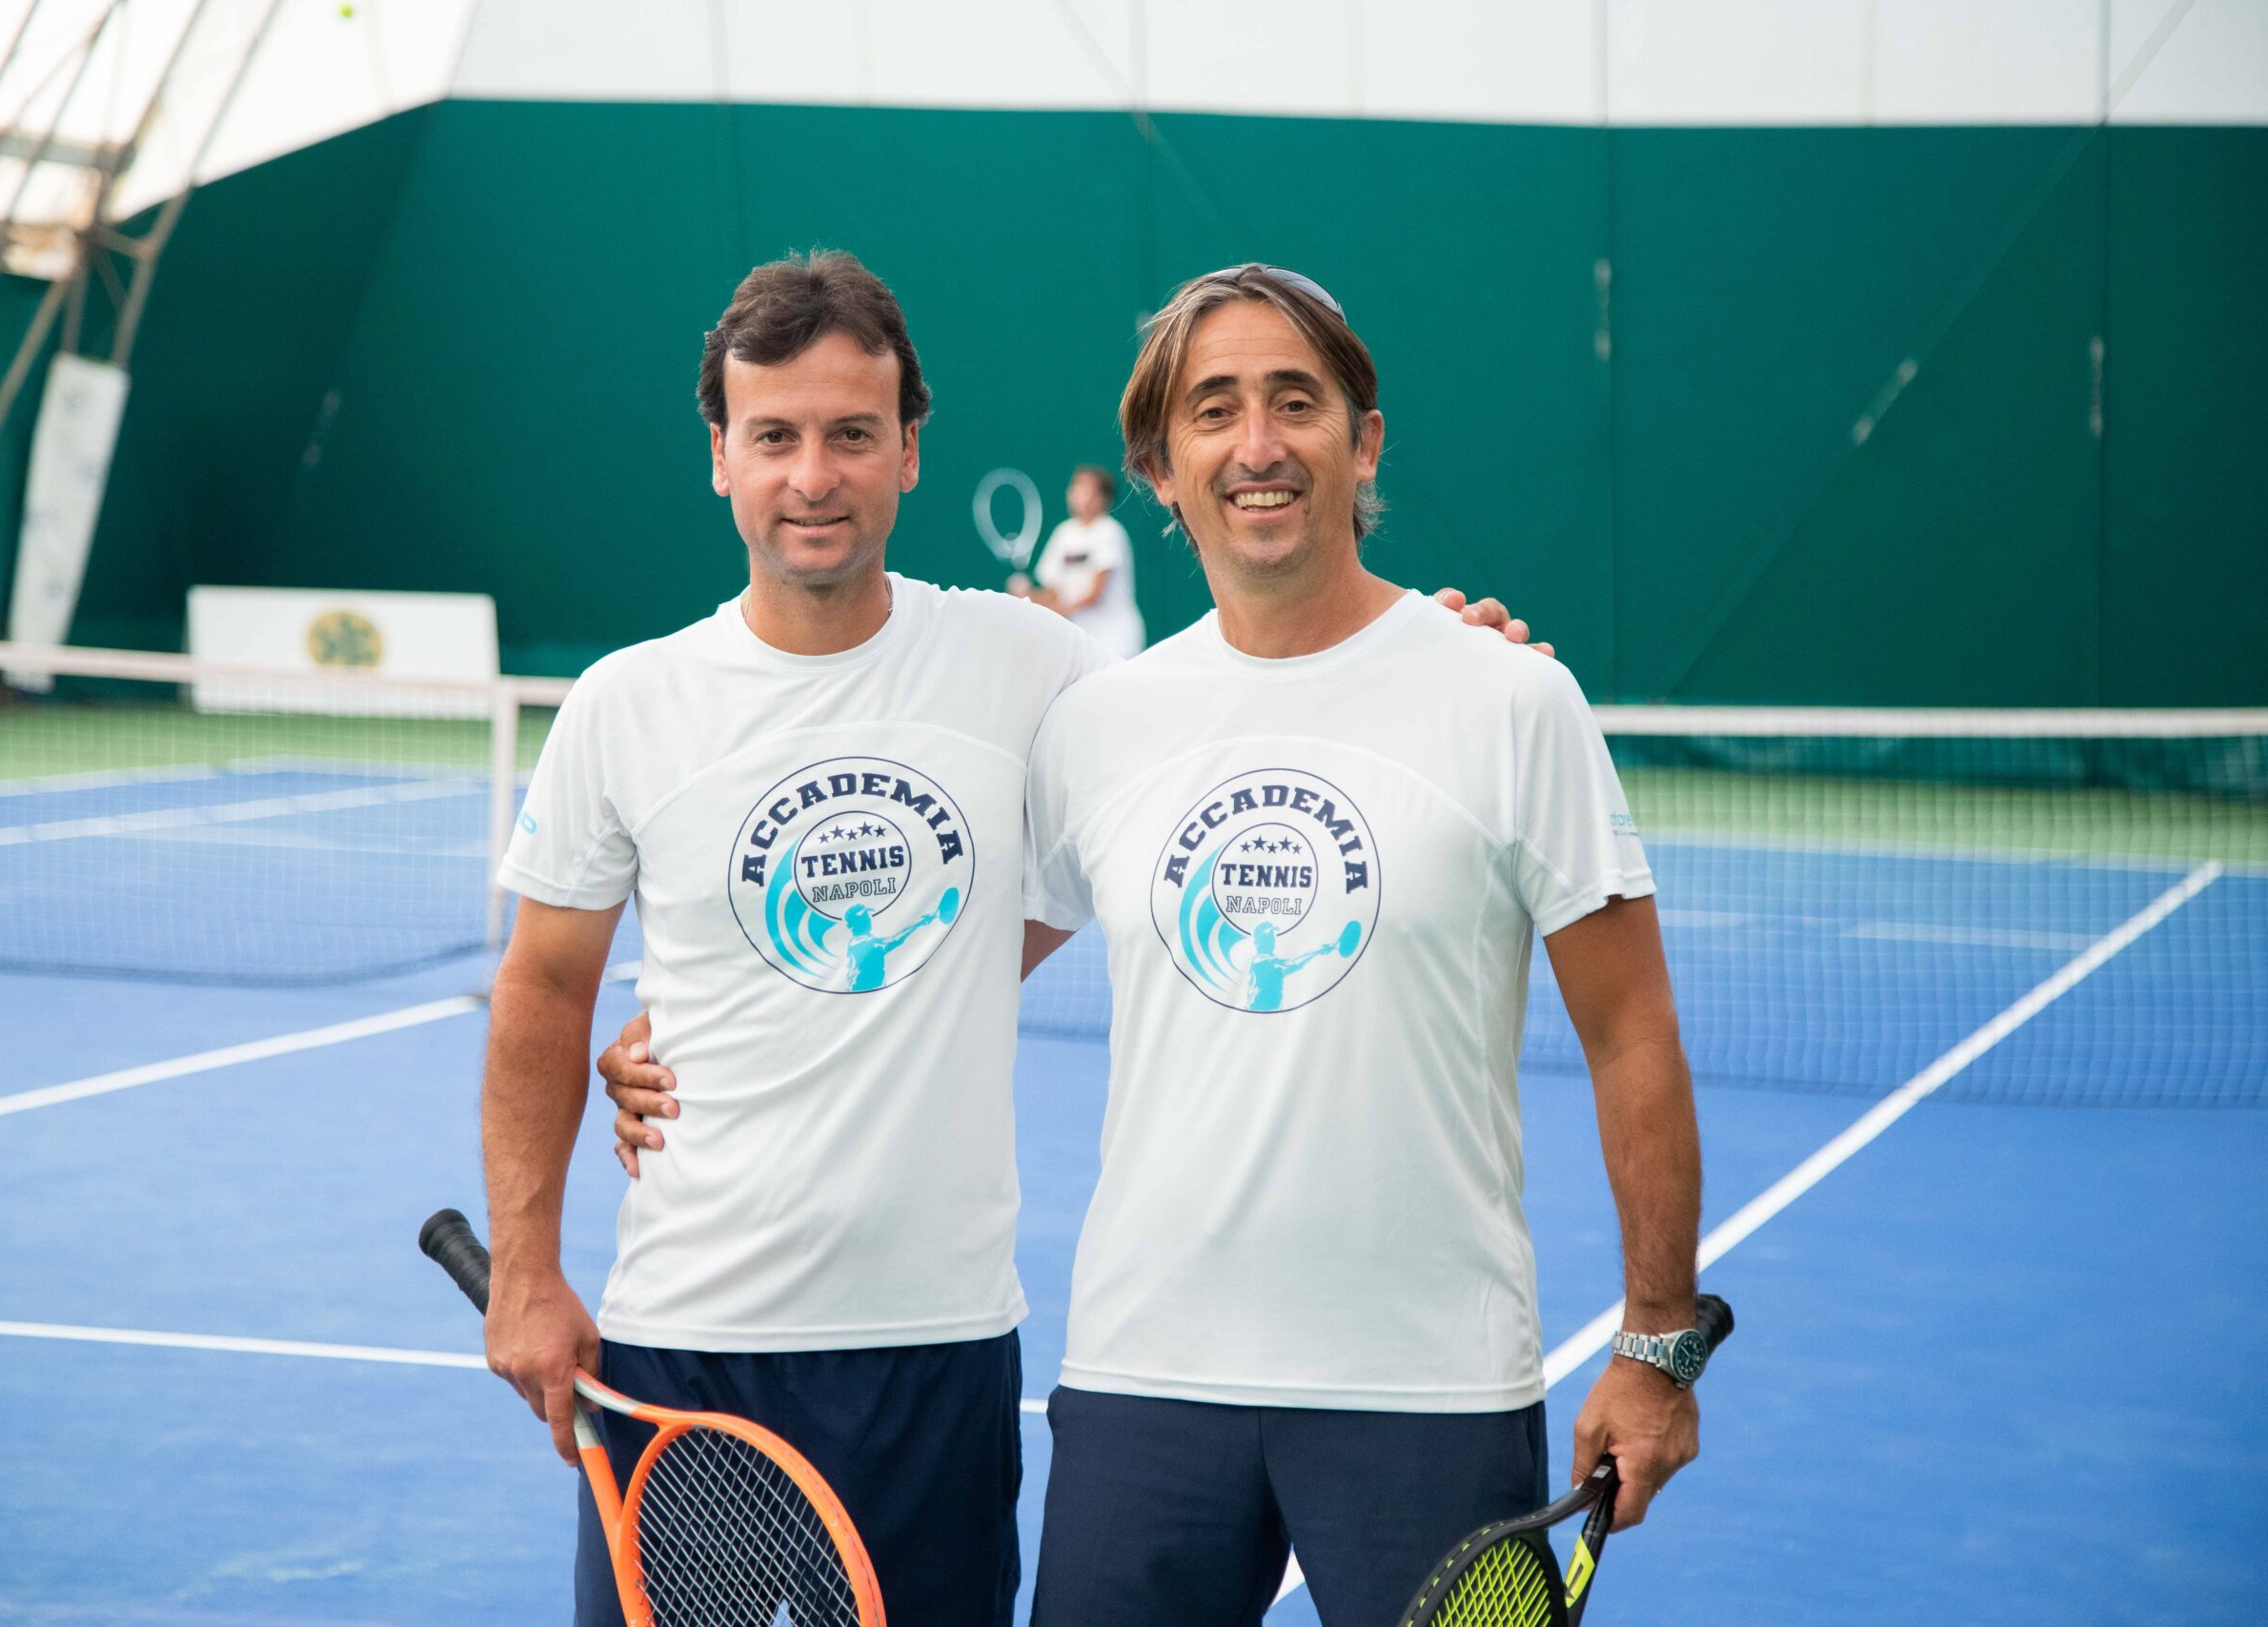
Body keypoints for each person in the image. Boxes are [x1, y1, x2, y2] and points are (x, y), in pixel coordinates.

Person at [488, 250, 1542, 1627]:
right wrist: (525, 1270)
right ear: (720, 455)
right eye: (777, 437)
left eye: (854, 434)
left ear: (910, 451)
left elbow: (1158, 801)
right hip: (692, 1341)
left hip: (943, 1352)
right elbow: (542, 987)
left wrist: (1438, 653)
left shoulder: (1030, 669)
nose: (815, 474)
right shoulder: (627, 704)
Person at [1012, 266, 1708, 1626]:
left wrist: (1658, 1344)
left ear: (1363, 437)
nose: (1258, 445)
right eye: (1215, 411)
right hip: (1146, 1379)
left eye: (1296, 403)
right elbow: (946, 978)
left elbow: (1631, 1029)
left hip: (1431, 1392)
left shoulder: (1513, 697)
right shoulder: (1101, 724)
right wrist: (683, 1049)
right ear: (1161, 463)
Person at [1010, 464, 1146, 658]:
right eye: (1075, 486)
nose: (1077, 493)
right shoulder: (1063, 534)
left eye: (1086, 488)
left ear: (1102, 499)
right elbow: (1053, 593)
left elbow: (1094, 593)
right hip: (1080, 639)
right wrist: (1026, 597)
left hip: (1116, 638)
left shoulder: (1110, 532)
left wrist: (1055, 610)